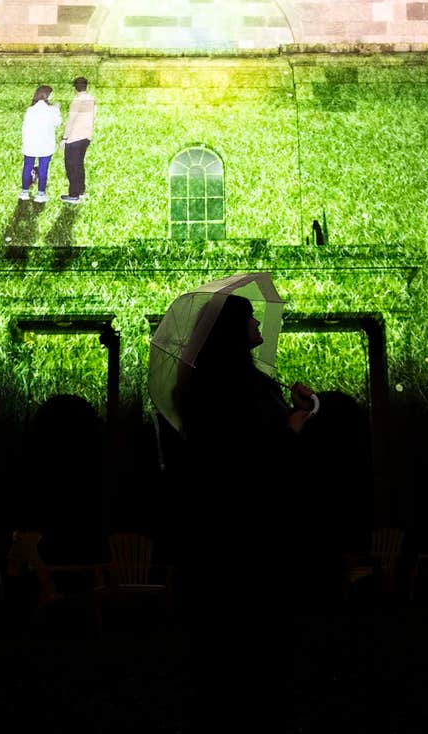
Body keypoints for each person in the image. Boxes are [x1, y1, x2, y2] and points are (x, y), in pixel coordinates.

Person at [174, 293, 313, 734]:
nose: (258, 322)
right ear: (232, 330)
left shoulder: (200, 386)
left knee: (223, 639)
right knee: (258, 635)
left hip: (215, 527)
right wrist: (294, 424)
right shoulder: (246, 388)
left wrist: (297, 412)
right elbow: (259, 457)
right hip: (255, 527)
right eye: (250, 317)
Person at [19, 85, 61, 203]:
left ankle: (24, 191)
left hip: (30, 143)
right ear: (47, 95)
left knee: (27, 167)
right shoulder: (51, 110)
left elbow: (25, 127)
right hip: (45, 144)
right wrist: (57, 109)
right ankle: (40, 193)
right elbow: (57, 123)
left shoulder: (30, 109)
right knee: (43, 168)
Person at [59, 77, 96, 204]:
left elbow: (71, 121)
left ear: (75, 88)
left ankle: (73, 194)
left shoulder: (76, 101)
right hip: (86, 136)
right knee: (79, 165)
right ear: (87, 86)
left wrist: (64, 138)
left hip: (74, 138)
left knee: (71, 167)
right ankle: (81, 191)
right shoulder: (91, 99)